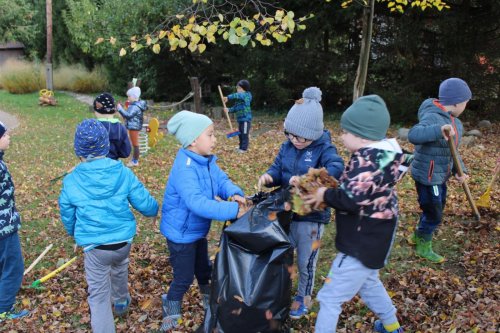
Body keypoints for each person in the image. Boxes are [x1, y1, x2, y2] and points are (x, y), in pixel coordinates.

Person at [303, 95, 411, 333]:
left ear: (362, 136)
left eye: (345, 132)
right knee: (370, 283)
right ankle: (392, 327)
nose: (341, 136)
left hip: (360, 243)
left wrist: (324, 194)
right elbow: (360, 189)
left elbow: (351, 199)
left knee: (330, 298)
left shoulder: (367, 163)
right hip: (376, 239)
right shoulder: (381, 157)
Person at [59, 119, 159, 333]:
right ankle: (121, 301)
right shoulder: (122, 172)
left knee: (98, 295)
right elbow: (144, 202)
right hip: (122, 242)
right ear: (106, 146)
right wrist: (154, 210)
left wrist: (74, 233)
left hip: (95, 247)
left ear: (78, 151)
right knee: (120, 268)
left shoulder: (72, 180)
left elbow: (67, 214)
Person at [258, 87, 344, 319]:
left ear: (314, 134)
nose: (294, 140)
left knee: (306, 260)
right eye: (290, 134)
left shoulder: (325, 148)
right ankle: (281, 289)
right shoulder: (287, 146)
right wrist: (269, 177)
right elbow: (277, 168)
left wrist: (307, 180)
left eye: (301, 137)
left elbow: (336, 169)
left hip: (311, 217)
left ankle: (303, 297)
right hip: (288, 212)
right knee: (284, 252)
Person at [159, 110, 250, 331]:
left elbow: (220, 180)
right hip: (181, 235)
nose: (215, 139)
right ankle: (170, 309)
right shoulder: (185, 169)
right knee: (183, 277)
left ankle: (210, 300)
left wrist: (234, 193)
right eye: (210, 134)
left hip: (196, 232)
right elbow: (198, 203)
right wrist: (233, 210)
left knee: (204, 269)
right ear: (192, 141)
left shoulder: (205, 161)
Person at [407, 78, 472, 263]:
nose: (465, 107)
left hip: (441, 175)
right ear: (456, 102)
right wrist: (438, 130)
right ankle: (423, 246)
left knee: (436, 206)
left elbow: (452, 151)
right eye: (466, 103)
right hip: (428, 176)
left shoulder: (456, 123)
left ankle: (419, 234)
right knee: (434, 212)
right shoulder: (432, 116)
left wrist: (461, 170)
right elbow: (413, 135)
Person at [0, 121, 30, 322]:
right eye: (5, 135)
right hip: (4, 227)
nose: (9, 137)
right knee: (14, 266)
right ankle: (4, 308)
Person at [93, 92, 131, 160]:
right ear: (115, 111)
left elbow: (83, 149)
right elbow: (125, 152)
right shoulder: (121, 128)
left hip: (94, 167)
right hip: (113, 166)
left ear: (96, 111)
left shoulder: (92, 127)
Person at [117, 86, 147, 167]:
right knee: (134, 143)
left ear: (134, 96)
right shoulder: (134, 105)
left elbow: (128, 115)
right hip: (133, 126)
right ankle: (134, 159)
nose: (128, 98)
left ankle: (135, 161)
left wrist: (120, 109)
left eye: (129, 96)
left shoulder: (135, 106)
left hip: (134, 127)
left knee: (135, 144)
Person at [222, 79, 252, 153]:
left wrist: (228, 97)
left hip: (245, 120)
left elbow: (238, 95)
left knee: (244, 134)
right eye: (237, 88)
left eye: (239, 88)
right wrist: (228, 110)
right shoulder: (239, 100)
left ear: (245, 89)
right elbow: (235, 108)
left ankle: (244, 149)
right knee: (240, 134)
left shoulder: (246, 95)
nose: (237, 90)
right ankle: (241, 147)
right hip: (240, 120)